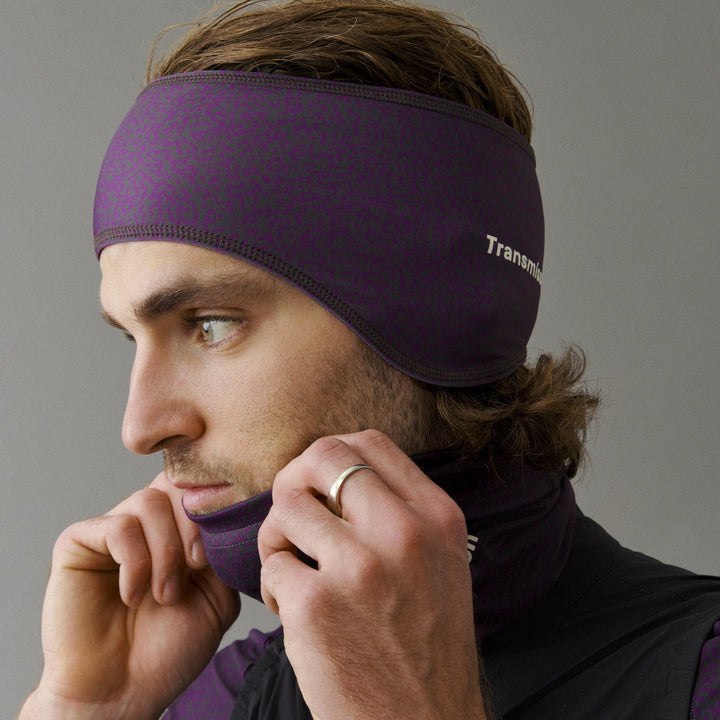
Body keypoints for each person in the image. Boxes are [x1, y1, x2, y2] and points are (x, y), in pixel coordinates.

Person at [17, 1, 720, 718]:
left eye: (211, 325)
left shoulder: (699, 681)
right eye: (132, 338)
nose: (140, 427)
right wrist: (83, 709)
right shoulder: (223, 695)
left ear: (432, 315)